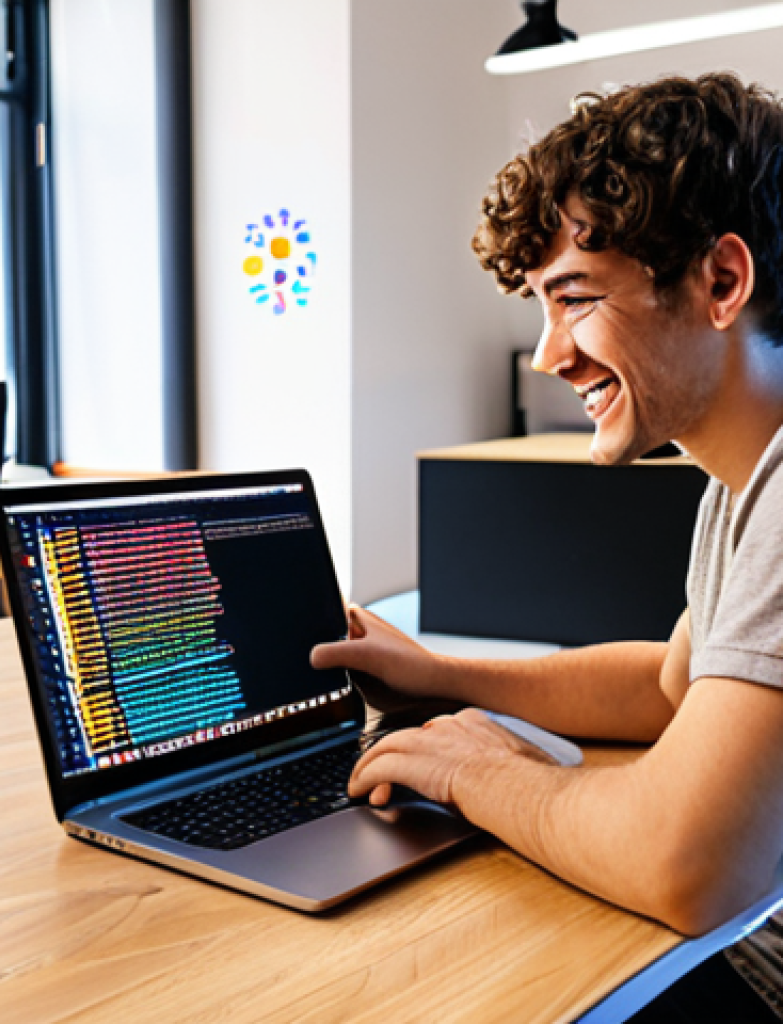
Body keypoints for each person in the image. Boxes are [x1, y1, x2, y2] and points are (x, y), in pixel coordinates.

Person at [312, 73, 783, 1020]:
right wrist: (442, 676)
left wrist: (477, 773)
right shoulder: (742, 485)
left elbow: (686, 862)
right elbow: (672, 690)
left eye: (574, 299)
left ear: (721, 283)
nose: (546, 353)